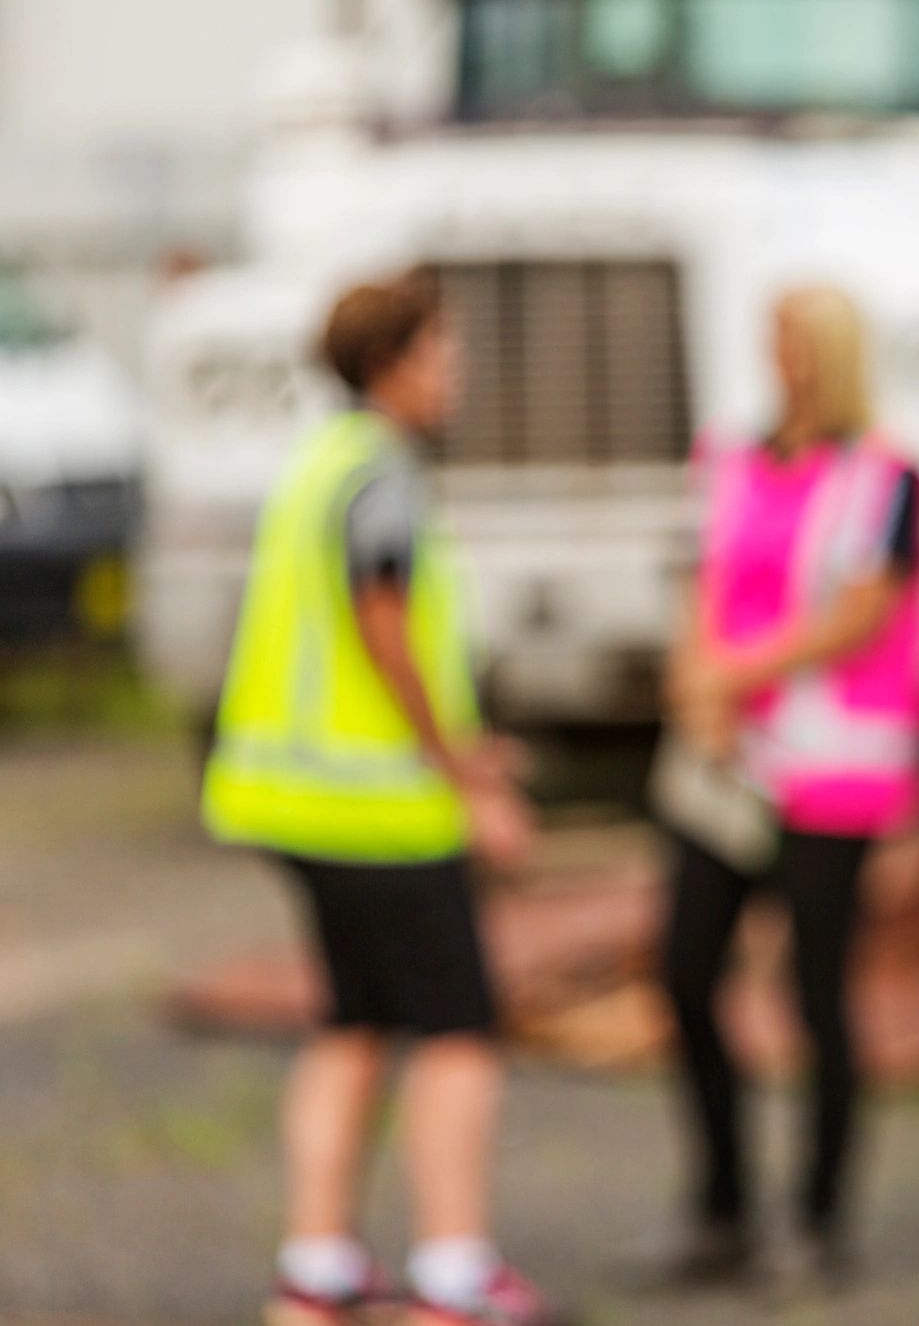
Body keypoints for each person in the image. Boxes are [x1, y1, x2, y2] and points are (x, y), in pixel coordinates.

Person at [201, 273, 551, 1326]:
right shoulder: (385, 476)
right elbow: (383, 619)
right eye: (443, 350)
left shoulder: (318, 464)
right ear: (393, 360)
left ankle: (317, 1265)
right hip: (378, 813)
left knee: (353, 1021)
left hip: (293, 802)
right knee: (457, 1029)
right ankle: (452, 1272)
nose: (458, 370)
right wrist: (467, 771)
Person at [657, 282, 919, 1278]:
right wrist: (698, 690)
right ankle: (724, 1208)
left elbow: (862, 609)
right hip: (727, 763)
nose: (778, 358)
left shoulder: (886, 475)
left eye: (791, 340)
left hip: (831, 773)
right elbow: (704, 579)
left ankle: (818, 1221)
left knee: (819, 993)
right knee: (686, 972)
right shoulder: (732, 458)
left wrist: (736, 672)